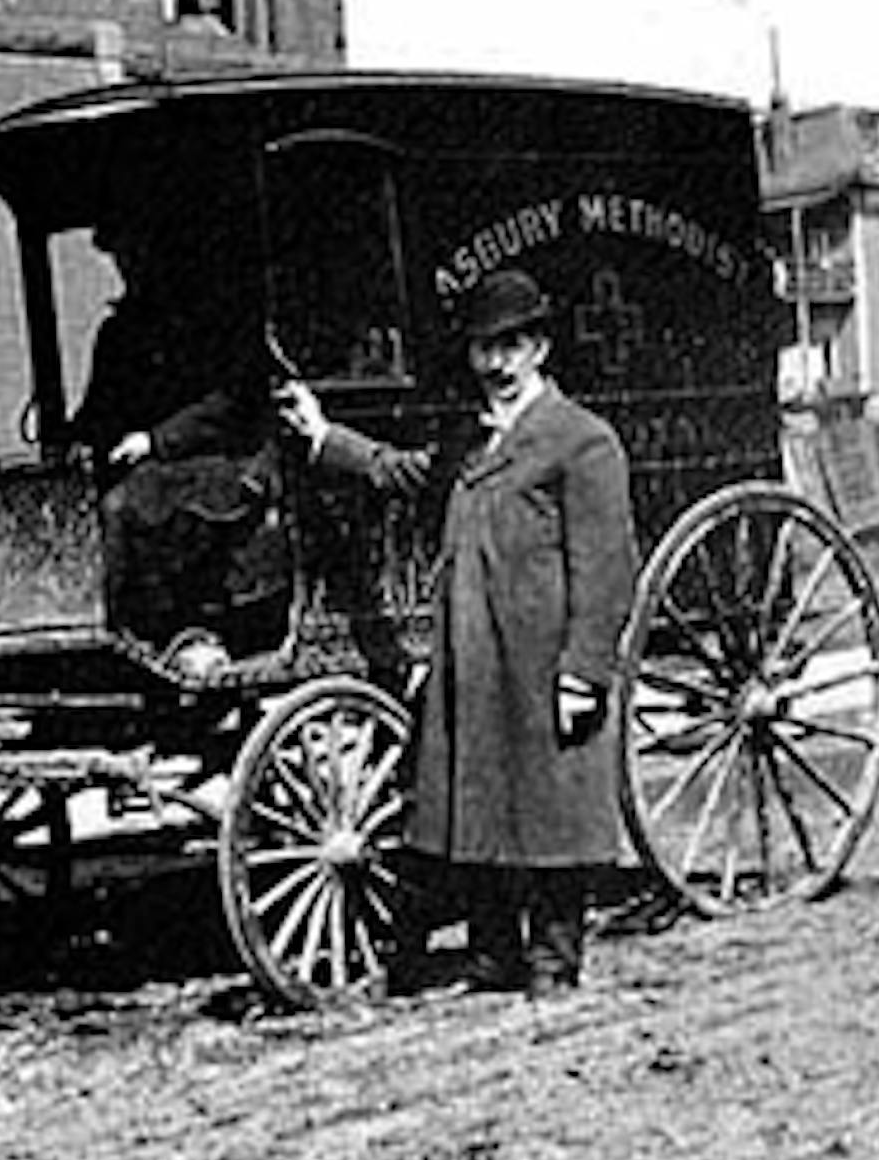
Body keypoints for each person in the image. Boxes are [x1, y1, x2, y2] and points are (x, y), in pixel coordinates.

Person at [275, 267, 636, 998]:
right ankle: (494, 952)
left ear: (539, 348)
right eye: (483, 349)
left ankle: (554, 959)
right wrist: (321, 436)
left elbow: (607, 570)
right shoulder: (467, 441)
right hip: (475, 654)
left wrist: (583, 670)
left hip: (542, 658)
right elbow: (399, 471)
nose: (496, 365)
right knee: (482, 801)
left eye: (511, 346)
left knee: (553, 805)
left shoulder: (581, 441)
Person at [67, 213, 287, 663]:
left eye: (135, 255)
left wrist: (155, 439)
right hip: (154, 466)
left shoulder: (214, 322)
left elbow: (232, 403)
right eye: (121, 257)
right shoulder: (120, 331)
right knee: (81, 503)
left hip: (228, 464)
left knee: (123, 506)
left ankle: (147, 630)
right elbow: (101, 405)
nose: (127, 267)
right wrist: (74, 437)